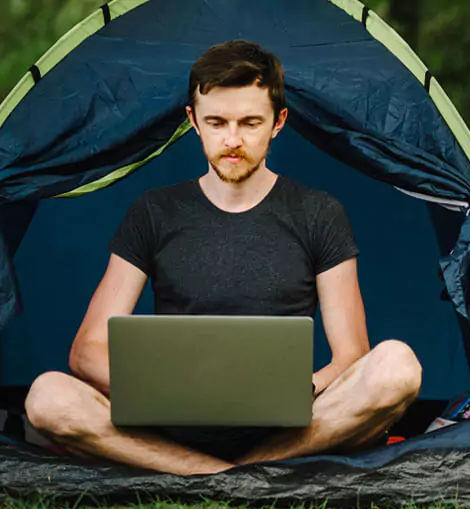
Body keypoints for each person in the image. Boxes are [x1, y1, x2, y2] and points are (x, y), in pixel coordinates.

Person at [23, 41, 422, 476]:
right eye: (216, 122)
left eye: (250, 122)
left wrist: (299, 388)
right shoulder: (154, 211)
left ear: (278, 122)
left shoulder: (319, 213)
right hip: (170, 420)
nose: (232, 140)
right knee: (47, 398)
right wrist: (176, 392)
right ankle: (220, 474)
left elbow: (352, 356)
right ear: (193, 121)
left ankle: (232, 469)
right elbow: (86, 351)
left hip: (288, 425)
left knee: (396, 367)